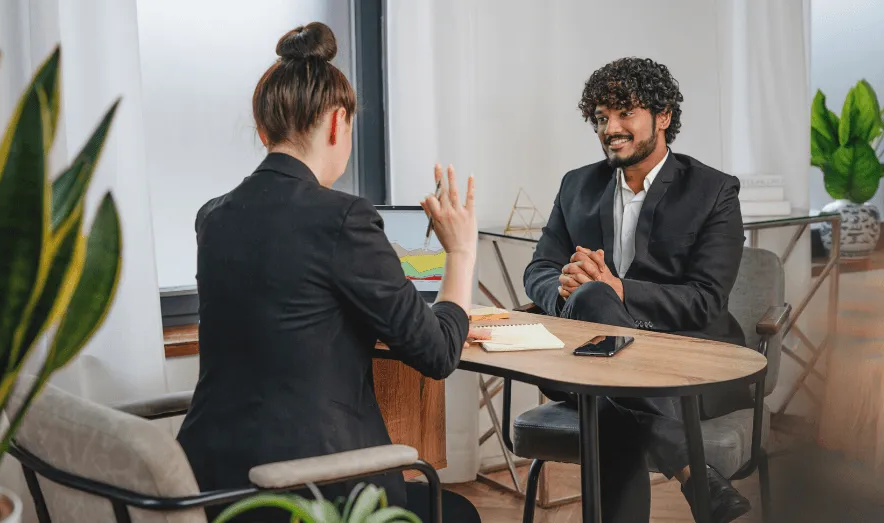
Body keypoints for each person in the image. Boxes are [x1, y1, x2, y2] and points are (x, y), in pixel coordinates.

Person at [176, 22, 481, 522]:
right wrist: (461, 252)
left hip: (212, 483)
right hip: (310, 492)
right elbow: (439, 352)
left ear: (263, 131)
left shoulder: (213, 216)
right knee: (459, 513)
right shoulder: (342, 217)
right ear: (338, 122)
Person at [523, 57, 752, 523]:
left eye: (625, 113)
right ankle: (694, 472)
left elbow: (706, 299)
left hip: (682, 361)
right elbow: (539, 270)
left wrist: (617, 289)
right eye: (602, 117)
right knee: (588, 305)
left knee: (607, 403)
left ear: (663, 116)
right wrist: (566, 288)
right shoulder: (577, 186)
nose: (611, 128)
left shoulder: (713, 191)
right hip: (585, 357)